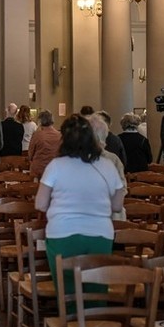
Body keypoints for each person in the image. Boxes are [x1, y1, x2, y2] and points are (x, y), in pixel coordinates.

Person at [35, 114, 126, 296]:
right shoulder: (107, 165)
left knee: (67, 290)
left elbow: (40, 203)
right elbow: (117, 206)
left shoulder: (56, 166)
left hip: (63, 233)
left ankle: (70, 322)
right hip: (99, 234)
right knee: (96, 290)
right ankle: (96, 320)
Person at [27, 110, 62, 180]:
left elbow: (30, 154)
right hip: (55, 169)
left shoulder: (37, 135)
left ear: (40, 121)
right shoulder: (59, 135)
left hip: (39, 171)